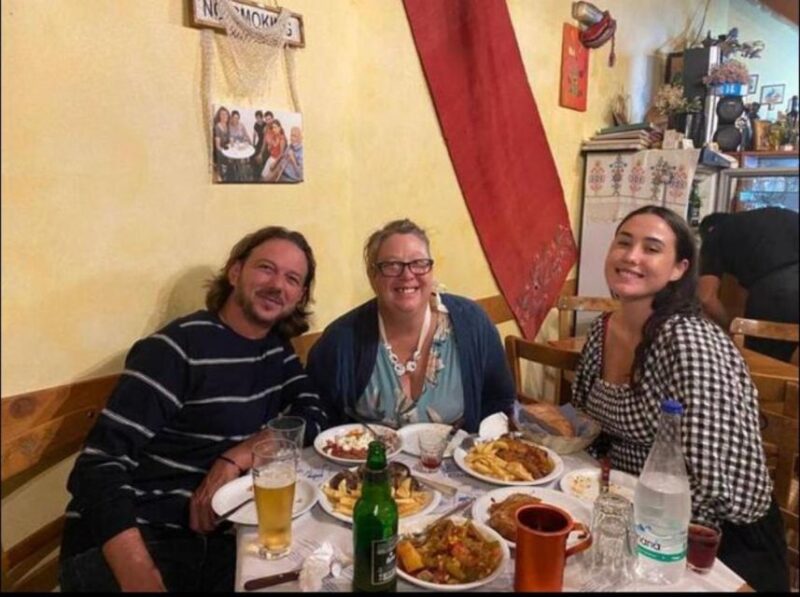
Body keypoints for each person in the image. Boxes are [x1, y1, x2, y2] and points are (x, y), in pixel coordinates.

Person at [59, 226, 332, 592]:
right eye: (266, 268)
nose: (277, 284)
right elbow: (99, 464)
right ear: (235, 272)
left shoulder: (276, 350)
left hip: (214, 538)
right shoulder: (176, 349)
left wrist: (236, 456)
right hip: (136, 539)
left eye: (292, 278)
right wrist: (137, 571)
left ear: (299, 296)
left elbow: (314, 413)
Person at [567, 205, 788, 592]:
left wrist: (655, 554)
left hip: (714, 543)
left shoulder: (688, 340)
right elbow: (586, 424)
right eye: (624, 242)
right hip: (629, 518)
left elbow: (709, 484)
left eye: (651, 248)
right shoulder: (602, 331)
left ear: (679, 269)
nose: (632, 256)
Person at [307, 219, 515, 432]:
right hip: (371, 464)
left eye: (418, 263)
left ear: (431, 270)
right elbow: (317, 420)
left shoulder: (473, 323)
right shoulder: (341, 339)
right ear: (373, 276)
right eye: (392, 265)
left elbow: (499, 402)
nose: (407, 275)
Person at [698, 207, 799, 362]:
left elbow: (705, 297)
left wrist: (733, 326)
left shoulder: (715, 234)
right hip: (782, 285)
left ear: (709, 230)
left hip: (781, 291)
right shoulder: (773, 215)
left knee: (764, 365)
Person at [212, 106, 231, 182]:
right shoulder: (217, 127)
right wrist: (225, 151)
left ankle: (229, 175)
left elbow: (228, 141)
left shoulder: (227, 125)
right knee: (231, 161)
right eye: (222, 114)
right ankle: (221, 175)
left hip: (226, 149)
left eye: (226, 114)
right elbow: (217, 146)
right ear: (219, 116)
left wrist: (231, 142)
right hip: (219, 152)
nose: (224, 116)